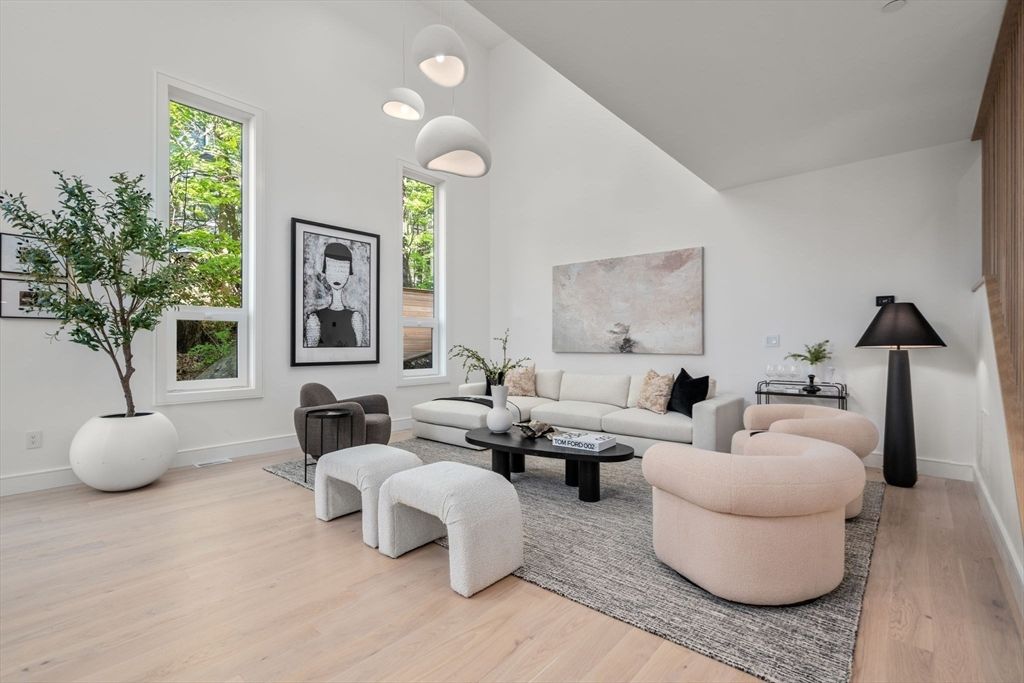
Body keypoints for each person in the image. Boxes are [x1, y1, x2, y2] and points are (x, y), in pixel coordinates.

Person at [305, 242, 364, 347]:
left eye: (343, 269)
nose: (338, 275)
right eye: (332, 267)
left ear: (348, 273)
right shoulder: (314, 319)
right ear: (326, 271)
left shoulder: (356, 318)